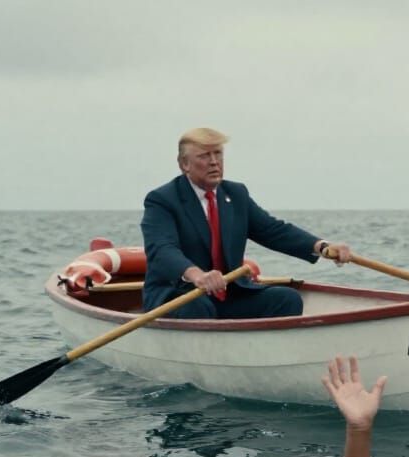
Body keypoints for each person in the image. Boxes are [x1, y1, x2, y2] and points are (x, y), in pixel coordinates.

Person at [141, 127, 352, 318]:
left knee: (287, 299)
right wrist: (197, 275)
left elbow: (272, 230)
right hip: (180, 295)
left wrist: (322, 247)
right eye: (205, 155)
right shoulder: (162, 200)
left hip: (229, 294)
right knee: (199, 308)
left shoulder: (236, 194)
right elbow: (162, 249)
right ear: (184, 164)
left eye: (218, 154)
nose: (214, 161)